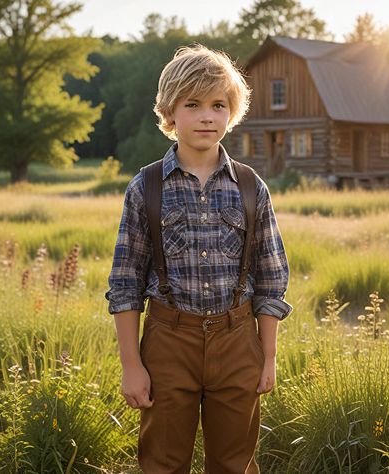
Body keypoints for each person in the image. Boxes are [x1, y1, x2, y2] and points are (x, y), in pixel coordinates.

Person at [105, 44, 292, 474]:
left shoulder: (250, 187)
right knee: (163, 461)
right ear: (170, 114)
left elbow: (271, 278)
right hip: (169, 340)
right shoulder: (145, 187)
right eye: (193, 105)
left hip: (237, 338)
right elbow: (125, 284)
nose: (207, 115)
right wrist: (132, 366)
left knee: (234, 461)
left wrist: (268, 358)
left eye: (218, 105)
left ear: (232, 112)